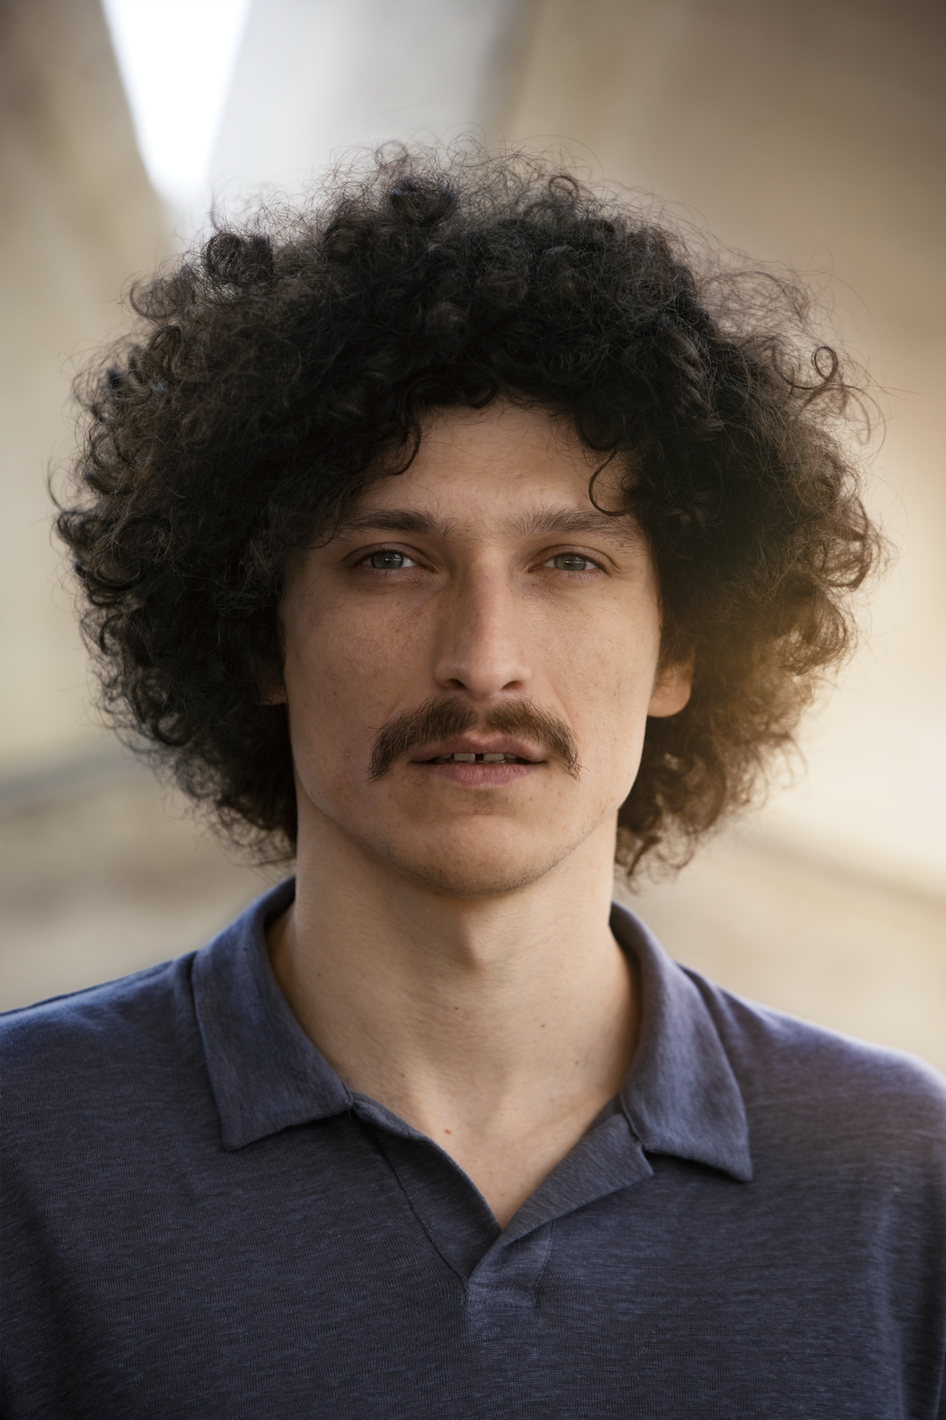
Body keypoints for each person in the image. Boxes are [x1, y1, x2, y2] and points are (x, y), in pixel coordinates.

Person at [3, 148, 944, 1418]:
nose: (483, 661)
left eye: (567, 560)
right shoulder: (25, 1150)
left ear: (681, 647)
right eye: (390, 558)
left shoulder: (906, 1182)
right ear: (252, 633)